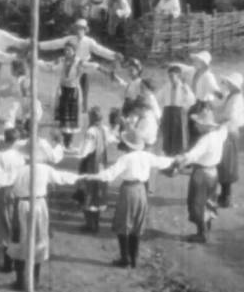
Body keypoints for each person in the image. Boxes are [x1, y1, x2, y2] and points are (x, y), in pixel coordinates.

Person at [0, 148, 80, 291]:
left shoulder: (22, 171)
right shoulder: (41, 169)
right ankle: (31, 281)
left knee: (23, 242)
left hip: (27, 206)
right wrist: (81, 176)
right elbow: (62, 177)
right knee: (34, 241)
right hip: (36, 206)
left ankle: (23, 281)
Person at [82, 130, 174, 267]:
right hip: (141, 191)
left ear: (128, 145)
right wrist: (176, 159)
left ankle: (125, 259)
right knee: (136, 224)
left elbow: (110, 174)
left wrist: (92, 176)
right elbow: (162, 162)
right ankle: (134, 258)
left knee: (123, 224)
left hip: (128, 191)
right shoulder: (146, 155)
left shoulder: (126, 159)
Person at [39, 18, 118, 113]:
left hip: (83, 67)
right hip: (70, 66)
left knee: (84, 89)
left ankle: (83, 109)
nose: (79, 31)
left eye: (81, 29)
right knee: (66, 87)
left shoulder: (89, 41)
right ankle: (63, 108)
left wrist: (114, 55)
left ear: (85, 30)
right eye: (77, 28)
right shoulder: (70, 39)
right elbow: (54, 44)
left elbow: (100, 50)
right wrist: (39, 45)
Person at [174, 109, 228, 243]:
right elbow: (224, 129)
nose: (196, 125)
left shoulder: (205, 140)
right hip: (213, 172)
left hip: (202, 174)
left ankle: (201, 234)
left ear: (206, 126)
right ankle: (207, 229)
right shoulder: (219, 135)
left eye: (199, 123)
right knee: (209, 201)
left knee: (197, 203)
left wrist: (180, 159)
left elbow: (193, 155)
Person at [38, 41, 101, 147]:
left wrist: (100, 67)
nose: (67, 52)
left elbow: (91, 66)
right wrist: (38, 62)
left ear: (74, 51)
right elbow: (50, 66)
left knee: (72, 118)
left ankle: (69, 142)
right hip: (63, 90)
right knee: (61, 116)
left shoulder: (79, 62)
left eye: (69, 50)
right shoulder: (61, 60)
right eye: (65, 50)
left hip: (73, 92)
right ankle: (59, 141)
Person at [0, 128, 29, 272]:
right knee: (18, 224)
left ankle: (8, 262)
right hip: (20, 191)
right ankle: (17, 259)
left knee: (4, 225)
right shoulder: (23, 156)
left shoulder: (2, 157)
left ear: (5, 140)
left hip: (6, 190)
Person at [68, 107, 112, 233]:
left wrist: (76, 152)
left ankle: (90, 225)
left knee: (88, 192)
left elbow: (85, 151)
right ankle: (96, 223)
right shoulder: (104, 129)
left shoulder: (91, 131)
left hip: (90, 164)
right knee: (98, 193)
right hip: (101, 164)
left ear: (92, 117)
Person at [176, 51, 222, 147]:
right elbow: (183, 67)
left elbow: (213, 87)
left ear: (203, 63)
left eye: (197, 61)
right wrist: (171, 65)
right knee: (190, 125)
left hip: (203, 104)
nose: (194, 62)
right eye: (195, 60)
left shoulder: (208, 76)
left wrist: (218, 93)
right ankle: (191, 147)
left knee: (199, 127)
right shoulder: (193, 71)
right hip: (193, 102)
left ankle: (199, 147)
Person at [215, 73, 244, 208]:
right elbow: (223, 109)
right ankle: (223, 195)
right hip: (226, 130)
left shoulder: (237, 99)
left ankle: (226, 197)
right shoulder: (231, 96)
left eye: (230, 83)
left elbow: (231, 116)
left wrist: (219, 119)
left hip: (230, 132)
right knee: (223, 164)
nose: (228, 85)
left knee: (228, 165)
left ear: (235, 85)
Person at [156, 64, 196, 156]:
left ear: (178, 76)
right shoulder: (166, 86)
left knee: (180, 135)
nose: (170, 78)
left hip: (179, 112)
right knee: (168, 134)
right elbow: (158, 98)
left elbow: (192, 100)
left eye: (172, 76)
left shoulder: (184, 87)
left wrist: (185, 102)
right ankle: (169, 155)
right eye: (169, 76)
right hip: (168, 112)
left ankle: (179, 155)